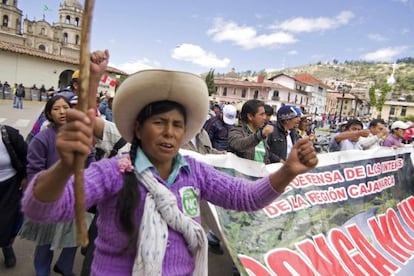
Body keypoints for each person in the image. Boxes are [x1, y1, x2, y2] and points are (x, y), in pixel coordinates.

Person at [22, 67, 318, 275]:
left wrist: (289, 170)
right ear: (137, 128)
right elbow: (41, 210)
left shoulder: (195, 172)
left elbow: (246, 198)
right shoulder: (113, 172)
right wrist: (65, 167)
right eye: (159, 123)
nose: (169, 133)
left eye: (177, 125)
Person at [19, 95, 94, 276]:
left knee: (75, 238)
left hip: (75, 198)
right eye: (56, 108)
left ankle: (65, 267)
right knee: (45, 242)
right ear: (48, 114)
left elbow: (90, 160)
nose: (62, 112)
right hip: (50, 200)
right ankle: (41, 271)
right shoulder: (41, 139)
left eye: (65, 107)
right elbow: (34, 172)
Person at [0, 124, 27, 268]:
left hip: (9, 185)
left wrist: (25, 177)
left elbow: (26, 156)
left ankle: (7, 246)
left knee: (8, 221)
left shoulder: (8, 134)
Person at [228, 99, 274, 163]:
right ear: (250, 116)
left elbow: (264, 158)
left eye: (265, 114)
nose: (264, 117)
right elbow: (239, 145)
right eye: (261, 114)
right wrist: (260, 136)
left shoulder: (261, 135)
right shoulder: (236, 131)